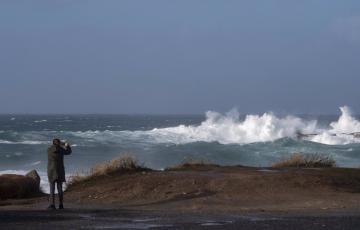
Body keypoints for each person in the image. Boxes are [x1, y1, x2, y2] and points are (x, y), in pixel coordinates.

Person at [47, 138, 72, 210]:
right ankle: (61, 205)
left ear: (53, 143)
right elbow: (69, 152)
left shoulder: (49, 150)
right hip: (60, 171)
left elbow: (55, 149)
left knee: (52, 188)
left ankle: (52, 205)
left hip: (52, 171)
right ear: (59, 143)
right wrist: (66, 145)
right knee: (60, 188)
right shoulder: (61, 150)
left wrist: (60, 144)